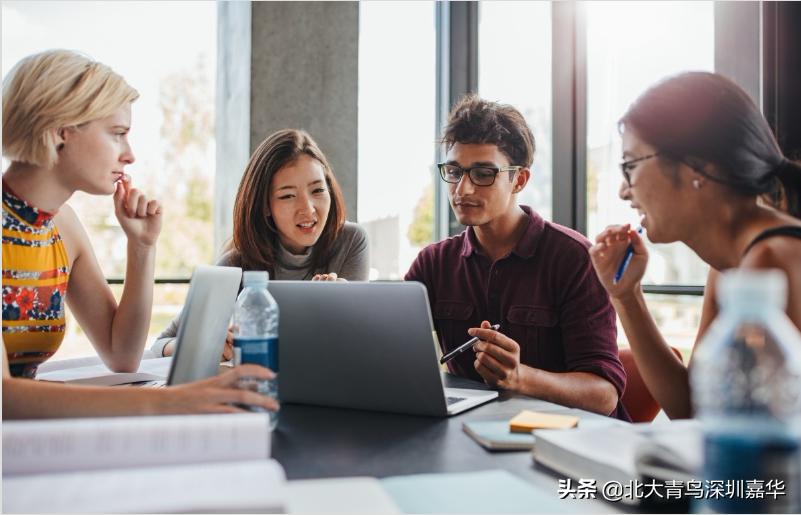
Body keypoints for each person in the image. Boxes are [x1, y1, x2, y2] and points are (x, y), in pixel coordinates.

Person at [2, 50, 276, 418]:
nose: (130, 155)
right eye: (117, 134)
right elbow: (4, 396)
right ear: (61, 132)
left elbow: (122, 355)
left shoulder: (63, 225)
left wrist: (142, 245)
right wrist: (172, 401)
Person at [589, 71, 801, 420]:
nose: (623, 191)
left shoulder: (771, 260)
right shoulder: (729, 265)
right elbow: (692, 409)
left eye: (630, 166)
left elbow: (757, 432)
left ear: (697, 167)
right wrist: (625, 296)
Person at [405, 95, 628, 419]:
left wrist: (521, 378)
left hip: (568, 438)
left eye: (483, 173)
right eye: (454, 171)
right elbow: (389, 348)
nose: (462, 190)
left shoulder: (574, 258)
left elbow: (604, 395)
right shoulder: (434, 263)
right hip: (473, 433)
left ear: (519, 180)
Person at [152, 129, 369, 358]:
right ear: (265, 206)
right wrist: (209, 344)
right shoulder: (236, 265)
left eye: (317, 190)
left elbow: (353, 343)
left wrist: (344, 305)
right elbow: (160, 344)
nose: (308, 209)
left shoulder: (351, 241)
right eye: (287, 196)